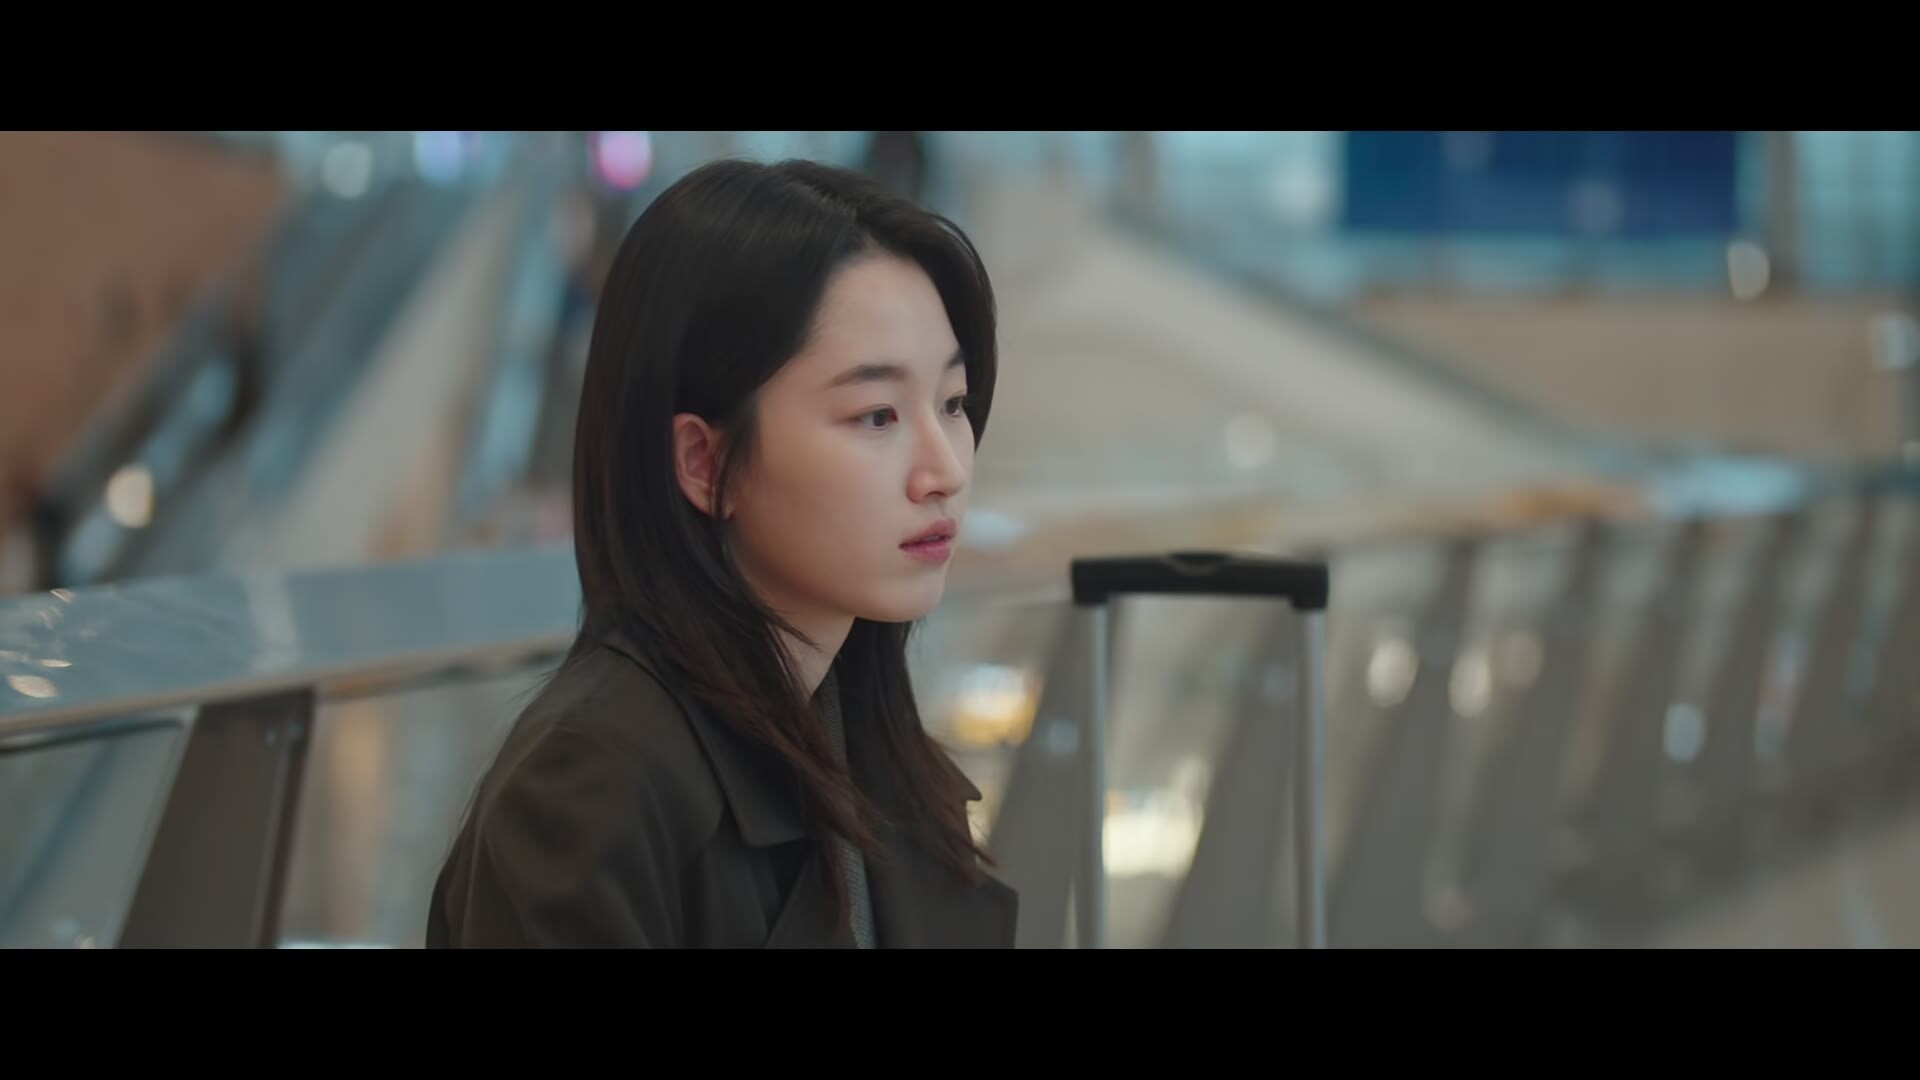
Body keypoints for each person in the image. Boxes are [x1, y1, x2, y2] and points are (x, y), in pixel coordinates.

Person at [426, 158, 1016, 948]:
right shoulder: (591, 786)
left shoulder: (856, 733)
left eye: (952, 402)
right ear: (704, 463)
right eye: (877, 415)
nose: (944, 470)